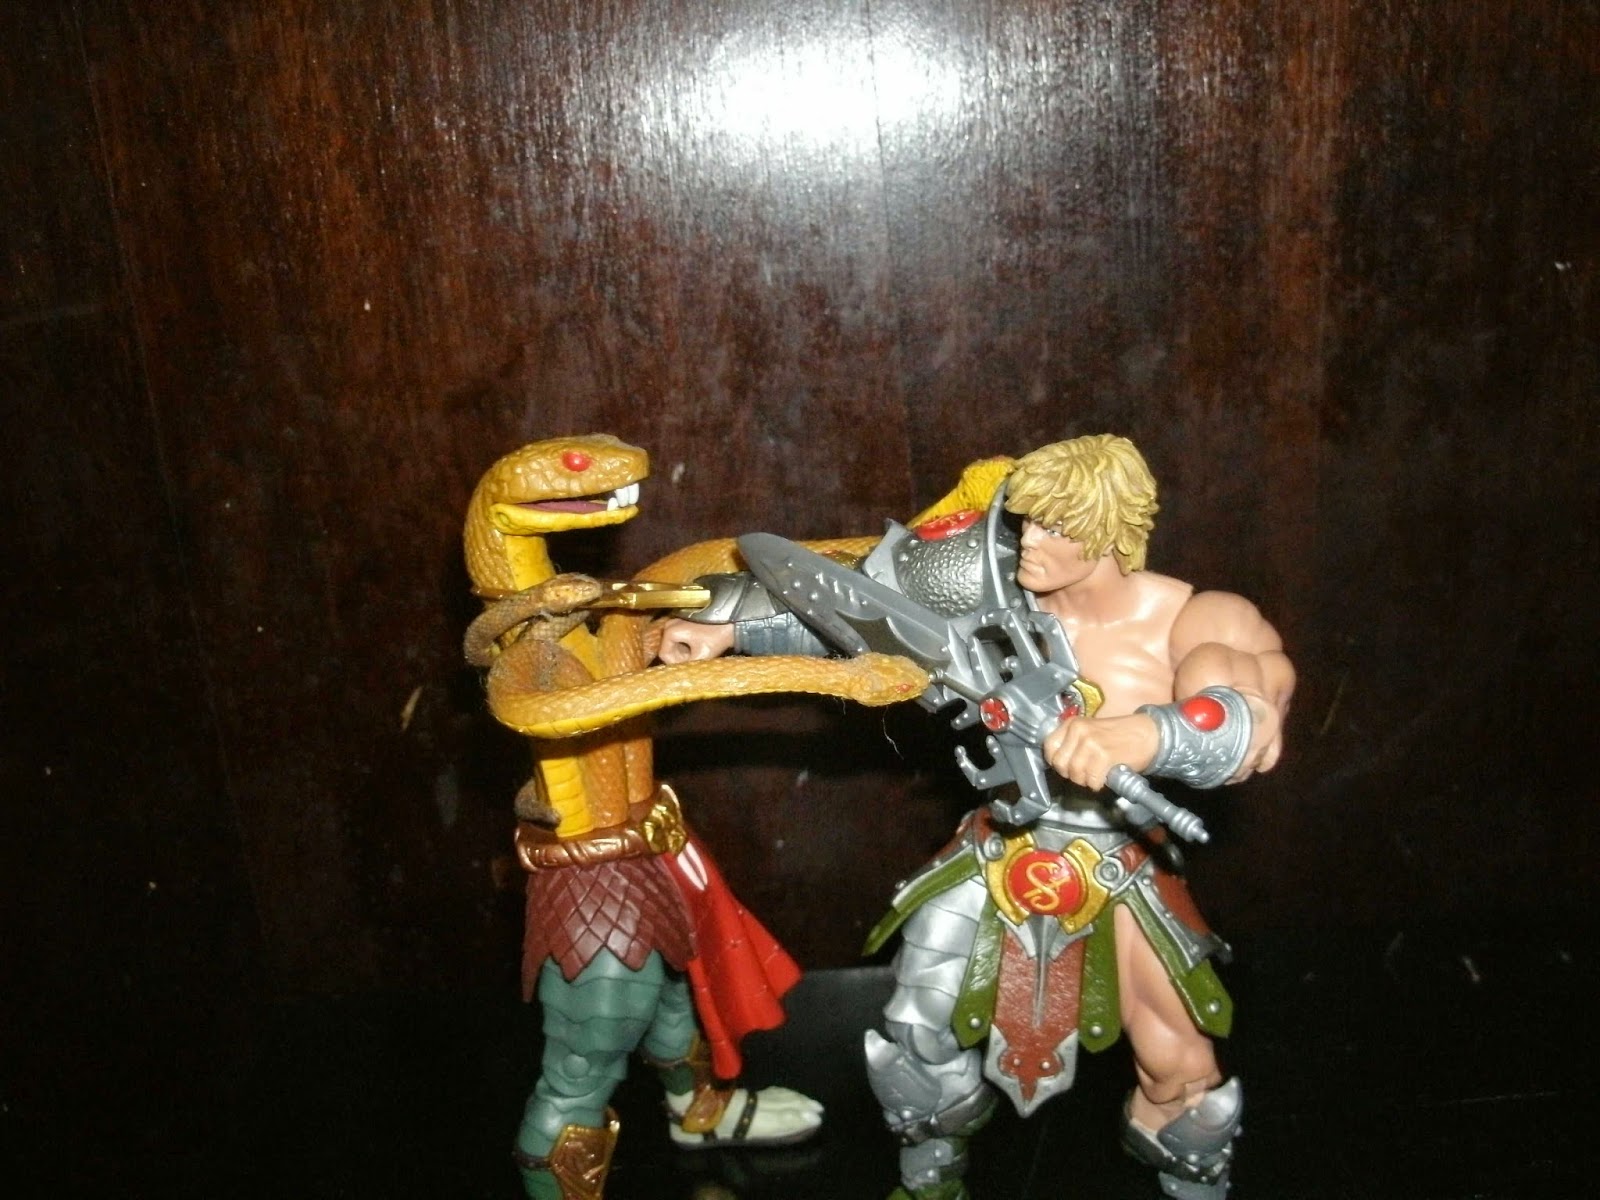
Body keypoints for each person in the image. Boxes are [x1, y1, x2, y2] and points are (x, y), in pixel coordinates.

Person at [657, 434, 1295, 1200]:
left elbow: (1246, 719)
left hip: (1122, 863)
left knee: (1180, 1070)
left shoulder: (1193, 617)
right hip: (1001, 847)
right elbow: (858, 613)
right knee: (915, 1036)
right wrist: (728, 628)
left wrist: (1140, 735)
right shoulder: (993, 584)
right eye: (1027, 522)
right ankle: (929, 1182)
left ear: (1106, 531)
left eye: (1056, 527)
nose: (1031, 542)